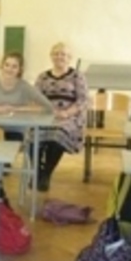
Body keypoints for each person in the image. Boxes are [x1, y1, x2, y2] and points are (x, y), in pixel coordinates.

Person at [34, 43, 88, 191]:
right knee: (32, 134)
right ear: (51, 56)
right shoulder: (42, 77)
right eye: (56, 53)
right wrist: (49, 111)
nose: (59, 57)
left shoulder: (77, 76)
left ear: (69, 58)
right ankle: (37, 172)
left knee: (58, 134)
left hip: (69, 117)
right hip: (47, 115)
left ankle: (46, 174)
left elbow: (83, 100)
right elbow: (36, 98)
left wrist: (66, 113)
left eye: (63, 54)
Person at [0, 52, 53, 141]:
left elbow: (48, 107)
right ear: (2, 66)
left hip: (17, 130)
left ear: (20, 69)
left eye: (14, 66)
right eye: (7, 65)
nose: (9, 69)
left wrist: (15, 109)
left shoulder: (25, 87)